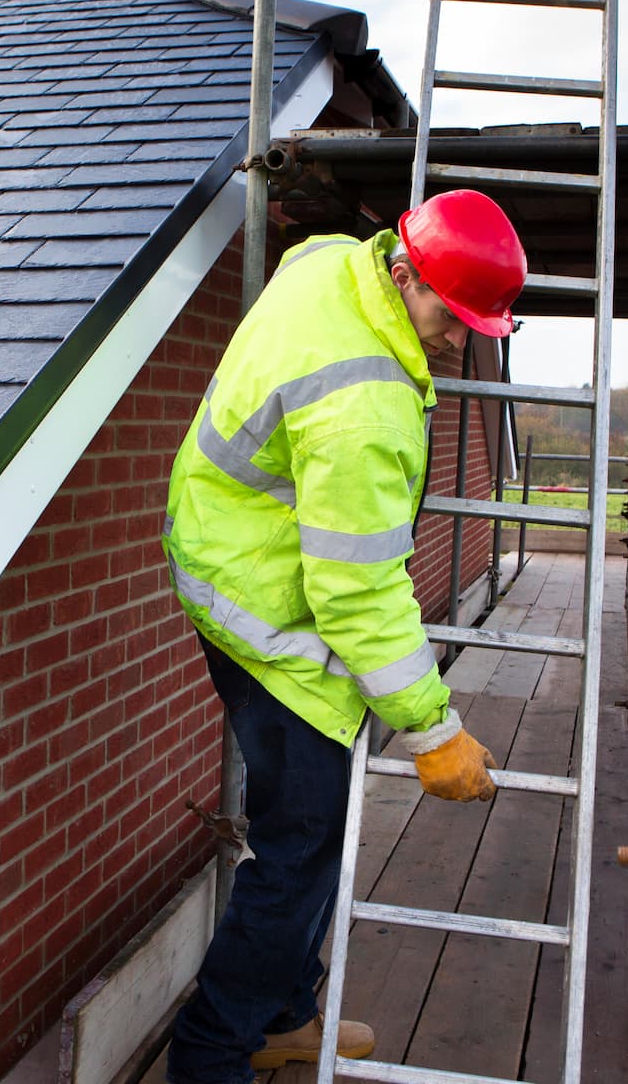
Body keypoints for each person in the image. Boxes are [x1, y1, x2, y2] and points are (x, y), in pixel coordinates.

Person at [161, 188, 529, 1080]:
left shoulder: (333, 258)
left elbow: (301, 256)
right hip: (268, 611)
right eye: (452, 314)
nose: (463, 339)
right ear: (404, 274)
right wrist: (434, 731)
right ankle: (211, 1056)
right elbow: (357, 594)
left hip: (229, 555)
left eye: (480, 323)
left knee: (307, 824)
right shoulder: (363, 407)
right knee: (302, 843)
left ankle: (286, 1016)